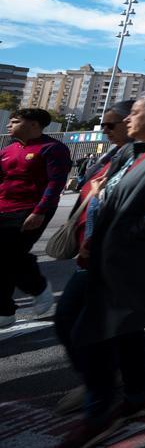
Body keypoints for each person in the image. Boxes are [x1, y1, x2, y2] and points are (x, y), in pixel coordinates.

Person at [54, 92, 145, 448]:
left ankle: (100, 411)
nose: (126, 119)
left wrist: (124, 236)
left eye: (134, 113)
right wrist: (93, 231)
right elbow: (112, 196)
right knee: (105, 326)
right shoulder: (131, 151)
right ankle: (137, 396)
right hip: (98, 253)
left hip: (128, 260)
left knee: (92, 330)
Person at [51, 100, 137, 415]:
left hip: (108, 256)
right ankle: (112, 385)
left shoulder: (139, 156)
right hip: (91, 252)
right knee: (106, 326)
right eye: (103, 124)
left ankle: (99, 396)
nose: (105, 130)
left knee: (77, 322)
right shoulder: (112, 154)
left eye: (111, 124)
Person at [1, 107, 71, 329]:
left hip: (30, 209)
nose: (8, 125)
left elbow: (55, 183)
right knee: (9, 258)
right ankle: (19, 300)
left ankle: (23, 299)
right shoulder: (8, 149)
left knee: (9, 257)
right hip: (3, 207)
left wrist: (40, 211)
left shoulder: (53, 148)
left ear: (33, 124)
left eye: (14, 121)